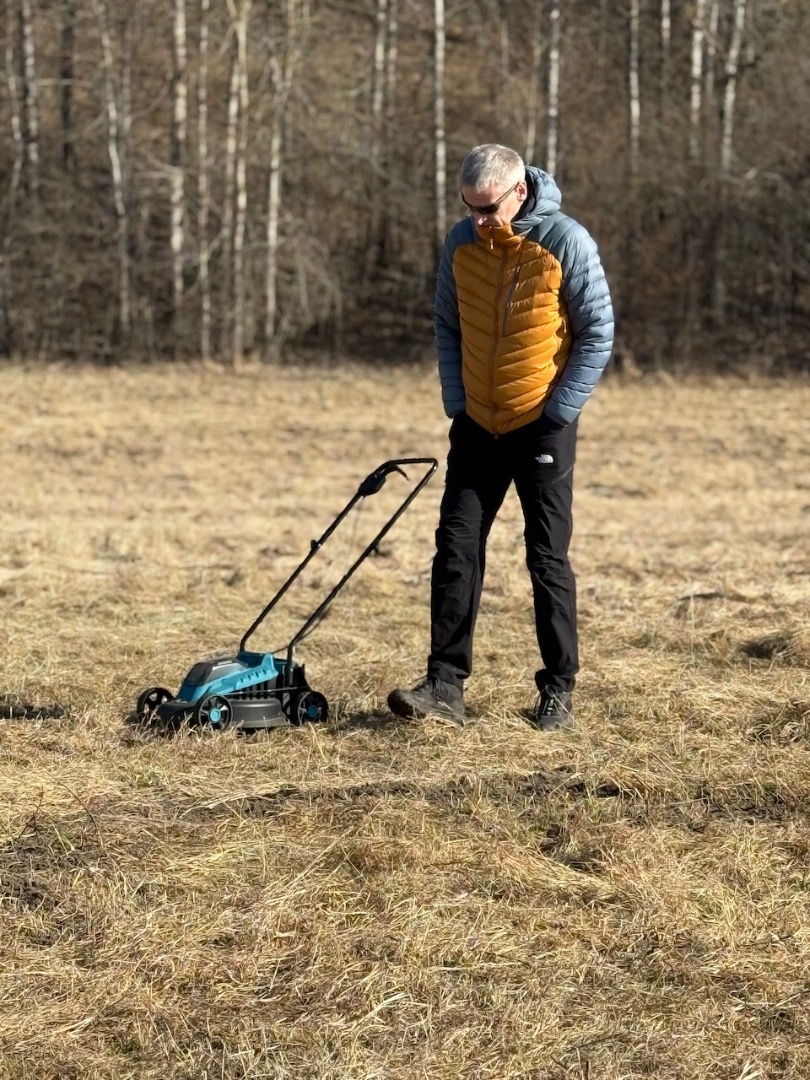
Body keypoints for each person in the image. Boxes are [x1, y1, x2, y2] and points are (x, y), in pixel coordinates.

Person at [388, 143, 614, 730]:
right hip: (476, 424)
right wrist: (457, 402)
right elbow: (446, 321)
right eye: (469, 207)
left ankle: (558, 690)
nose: (479, 219)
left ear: (519, 191)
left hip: (541, 424)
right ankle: (444, 685)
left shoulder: (567, 241)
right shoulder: (460, 242)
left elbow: (597, 331)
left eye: (488, 208)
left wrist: (558, 411)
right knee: (455, 546)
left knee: (546, 556)